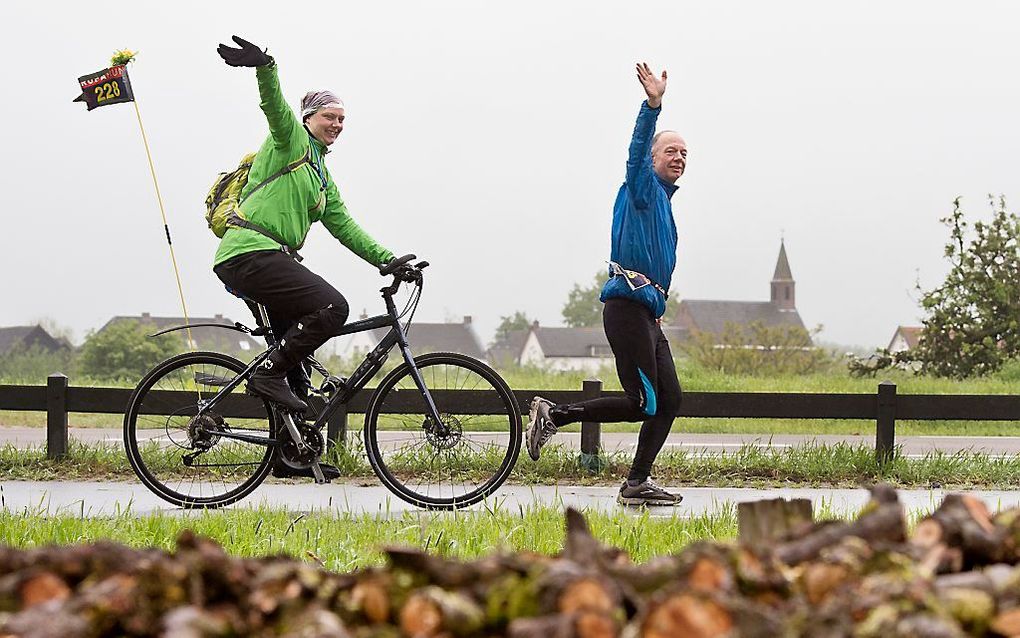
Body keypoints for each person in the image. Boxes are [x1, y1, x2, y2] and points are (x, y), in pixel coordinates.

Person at [212, 36, 399, 479]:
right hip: (249, 252)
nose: (337, 124)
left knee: (292, 358)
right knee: (333, 306)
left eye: (342, 119)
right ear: (309, 118)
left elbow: (345, 226)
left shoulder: (320, 175)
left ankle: (287, 454)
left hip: (270, 258)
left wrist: (389, 260)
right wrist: (266, 67)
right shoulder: (288, 142)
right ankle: (268, 376)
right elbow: (274, 105)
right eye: (329, 117)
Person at [525, 63, 687, 507]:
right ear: (653, 159)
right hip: (627, 309)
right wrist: (652, 106)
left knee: (669, 399)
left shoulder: (665, 207)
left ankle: (637, 483)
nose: (679, 158)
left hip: (647, 313)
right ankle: (554, 415)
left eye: (684, 154)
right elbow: (635, 151)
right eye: (671, 151)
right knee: (642, 402)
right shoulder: (640, 188)